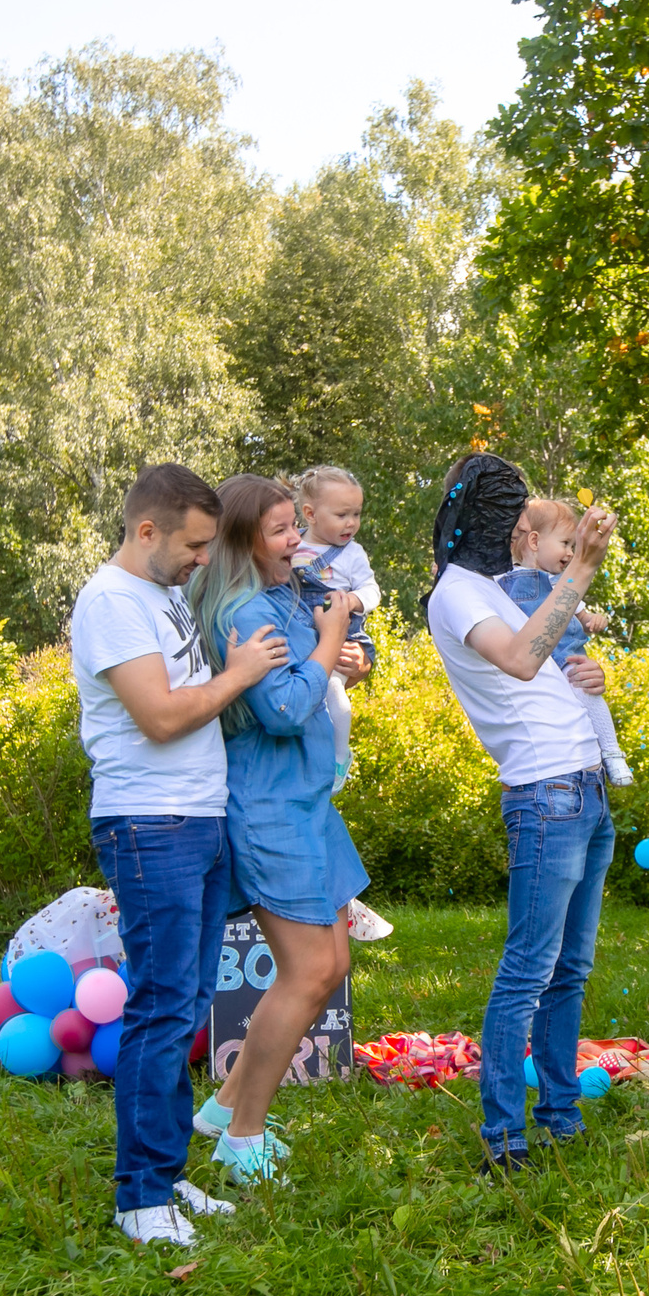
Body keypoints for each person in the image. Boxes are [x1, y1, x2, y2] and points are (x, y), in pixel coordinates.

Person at [69, 463, 289, 1247]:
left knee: (188, 1005)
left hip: (196, 818)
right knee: (160, 1011)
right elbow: (161, 717)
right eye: (193, 545)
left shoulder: (161, 593)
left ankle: (163, 1173)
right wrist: (240, 674)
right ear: (147, 530)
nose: (204, 558)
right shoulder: (110, 602)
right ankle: (138, 1197)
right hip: (147, 823)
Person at [422, 455, 617, 1172]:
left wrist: (589, 675)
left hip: (584, 788)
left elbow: (552, 655)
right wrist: (584, 568)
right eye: (512, 518)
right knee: (527, 971)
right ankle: (503, 1140)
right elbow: (519, 659)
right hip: (545, 794)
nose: (522, 529)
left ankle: (560, 1115)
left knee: (569, 969)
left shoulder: (495, 587)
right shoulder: (455, 593)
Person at [185, 474, 374, 1187]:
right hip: (268, 802)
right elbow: (286, 709)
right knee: (306, 971)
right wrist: (329, 647)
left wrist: (351, 657)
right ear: (243, 540)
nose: (298, 539)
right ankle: (243, 1136)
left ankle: (225, 1107)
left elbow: (336, 650)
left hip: (307, 798)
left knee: (330, 965)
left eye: (297, 524)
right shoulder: (242, 613)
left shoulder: (291, 593)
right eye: (280, 530)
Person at [290, 463, 395, 941]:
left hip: (346, 635)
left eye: (356, 514)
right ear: (309, 513)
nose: (350, 523)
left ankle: (338, 762)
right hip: (310, 641)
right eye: (341, 514)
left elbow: (372, 589)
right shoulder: (293, 548)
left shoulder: (351, 554)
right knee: (321, 698)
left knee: (340, 705)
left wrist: (353, 602)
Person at [504, 497, 635, 786]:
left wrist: (593, 620)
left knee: (588, 695)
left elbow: (582, 614)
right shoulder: (504, 580)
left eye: (573, 546)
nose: (570, 553)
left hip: (566, 660)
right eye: (565, 543)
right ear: (535, 541)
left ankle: (612, 753)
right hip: (536, 669)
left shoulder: (560, 583)